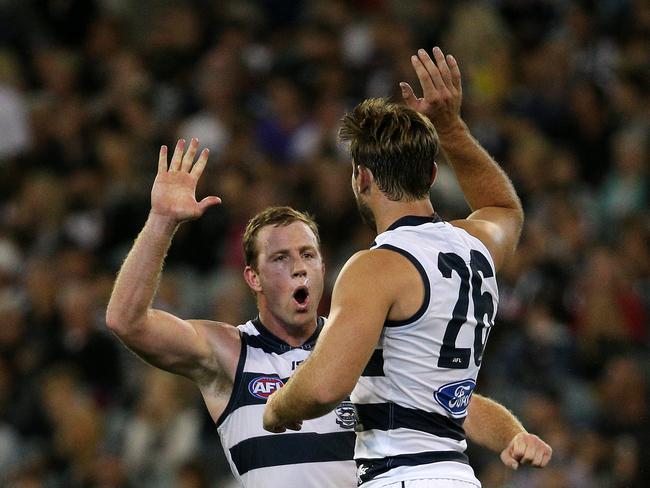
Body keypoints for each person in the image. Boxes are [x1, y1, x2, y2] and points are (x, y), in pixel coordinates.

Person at [106, 134, 549, 487]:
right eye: (281, 259)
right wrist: (161, 221)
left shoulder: (362, 341)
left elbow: (451, 403)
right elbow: (126, 321)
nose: (299, 267)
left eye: (309, 255)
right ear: (253, 279)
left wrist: (511, 434)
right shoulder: (230, 352)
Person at [263, 47, 538, 487]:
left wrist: (278, 408)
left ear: (362, 177)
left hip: (402, 476)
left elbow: (324, 387)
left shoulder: (377, 267)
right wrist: (451, 127)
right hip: (456, 475)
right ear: (431, 174)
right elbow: (503, 204)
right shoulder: (478, 245)